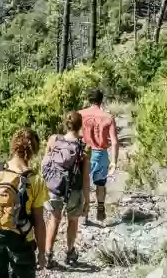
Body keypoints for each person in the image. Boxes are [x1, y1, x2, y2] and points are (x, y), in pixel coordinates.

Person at [0, 128, 48, 278]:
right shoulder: (36, 180)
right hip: (22, 239)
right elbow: (39, 221)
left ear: (13, 146)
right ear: (34, 151)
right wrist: (42, 253)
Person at [41, 111, 91, 267]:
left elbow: (45, 163)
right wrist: (87, 199)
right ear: (80, 125)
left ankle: (47, 255)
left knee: (54, 219)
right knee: (73, 220)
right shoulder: (84, 147)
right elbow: (85, 176)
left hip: (54, 187)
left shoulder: (53, 139)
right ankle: (70, 253)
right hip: (74, 190)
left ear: (65, 124)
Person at [78, 88, 119, 223]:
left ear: (89, 100)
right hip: (101, 154)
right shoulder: (108, 117)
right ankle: (100, 206)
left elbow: (75, 135)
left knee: (84, 184)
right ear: (101, 100)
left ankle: (84, 214)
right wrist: (114, 161)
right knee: (100, 184)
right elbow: (114, 141)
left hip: (84, 153)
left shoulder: (80, 114)